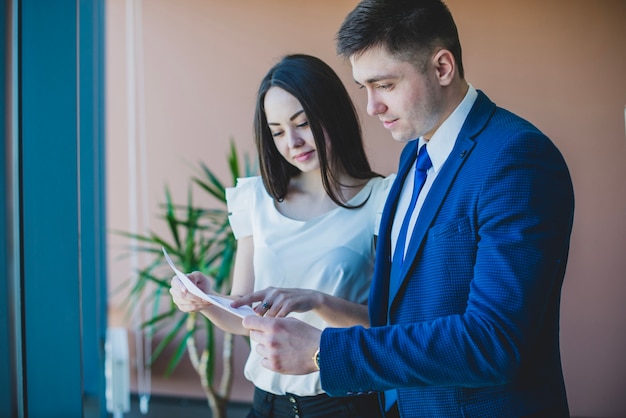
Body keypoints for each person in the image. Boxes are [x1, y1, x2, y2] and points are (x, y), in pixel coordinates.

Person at [239, 1, 575, 417]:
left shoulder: (517, 158)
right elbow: (397, 315)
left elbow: (492, 341)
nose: (371, 107)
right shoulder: (414, 154)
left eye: (386, 85)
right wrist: (318, 301)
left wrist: (323, 352)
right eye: (364, 88)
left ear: (442, 68)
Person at [169, 54, 394, 418]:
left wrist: (317, 301)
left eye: (302, 123)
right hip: (266, 406)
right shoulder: (257, 200)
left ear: (332, 112)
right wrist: (205, 298)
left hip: (345, 405)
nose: (292, 142)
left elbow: (388, 325)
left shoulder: (381, 201)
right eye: (276, 131)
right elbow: (241, 315)